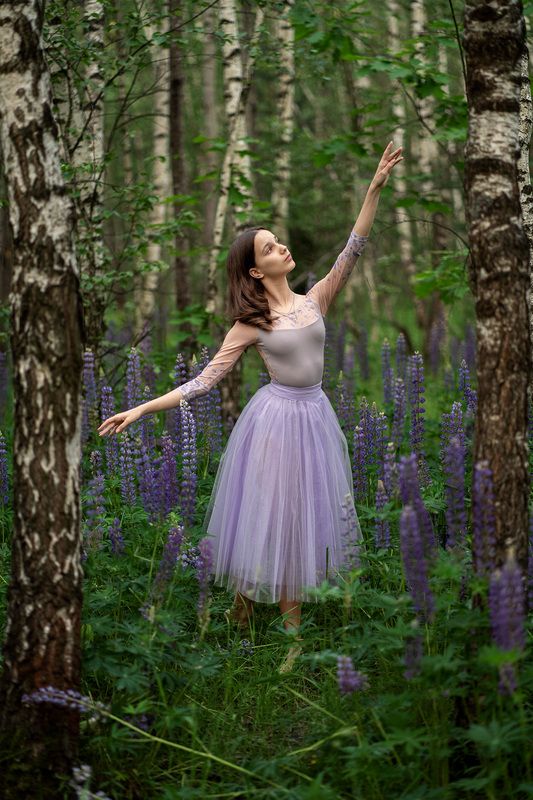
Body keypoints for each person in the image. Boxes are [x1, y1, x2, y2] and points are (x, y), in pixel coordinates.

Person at [99, 141, 403, 672]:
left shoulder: (315, 299)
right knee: (270, 516)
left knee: (304, 518)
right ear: (256, 270)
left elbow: (353, 247)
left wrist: (374, 188)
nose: (281, 248)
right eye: (269, 248)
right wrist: (143, 409)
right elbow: (203, 381)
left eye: (278, 241)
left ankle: (292, 638)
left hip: (315, 417)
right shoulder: (251, 324)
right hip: (275, 421)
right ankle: (241, 610)